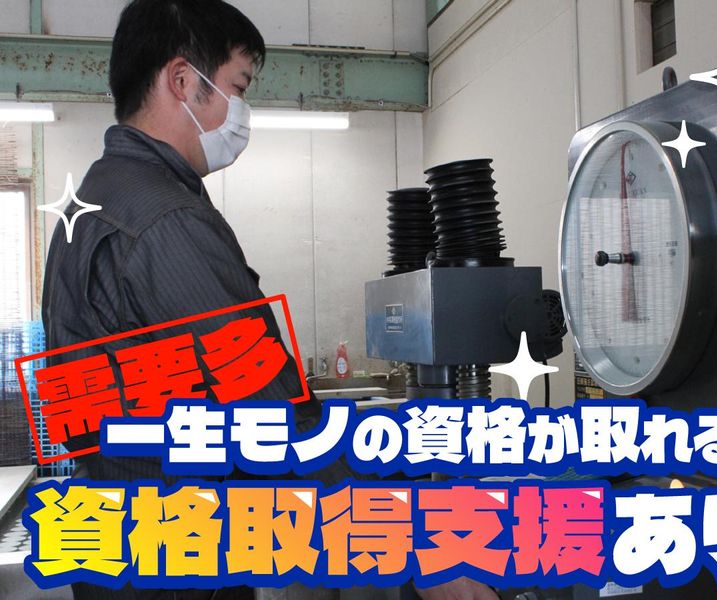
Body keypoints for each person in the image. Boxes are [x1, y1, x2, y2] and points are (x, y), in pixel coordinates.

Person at [41, 1, 498, 599]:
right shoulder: (166, 221)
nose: (242, 111)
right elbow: (275, 419)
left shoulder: (91, 205)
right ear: (181, 81)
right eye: (237, 87)